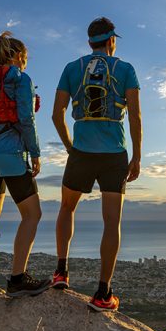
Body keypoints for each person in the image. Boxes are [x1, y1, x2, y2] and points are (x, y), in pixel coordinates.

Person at [51, 17, 141, 312]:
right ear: (111, 40)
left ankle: (61, 272)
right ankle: (103, 293)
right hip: (115, 153)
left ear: (90, 42)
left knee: (67, 207)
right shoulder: (126, 70)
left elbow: (57, 114)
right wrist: (136, 156)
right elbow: (137, 118)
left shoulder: (72, 69)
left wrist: (69, 146)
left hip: (82, 151)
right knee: (111, 222)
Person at [0, 31, 51, 297]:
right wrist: (35, 153)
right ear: (17, 56)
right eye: (25, 58)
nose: (26, 63)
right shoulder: (20, 79)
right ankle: (18, 279)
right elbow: (26, 119)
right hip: (11, 152)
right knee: (32, 214)